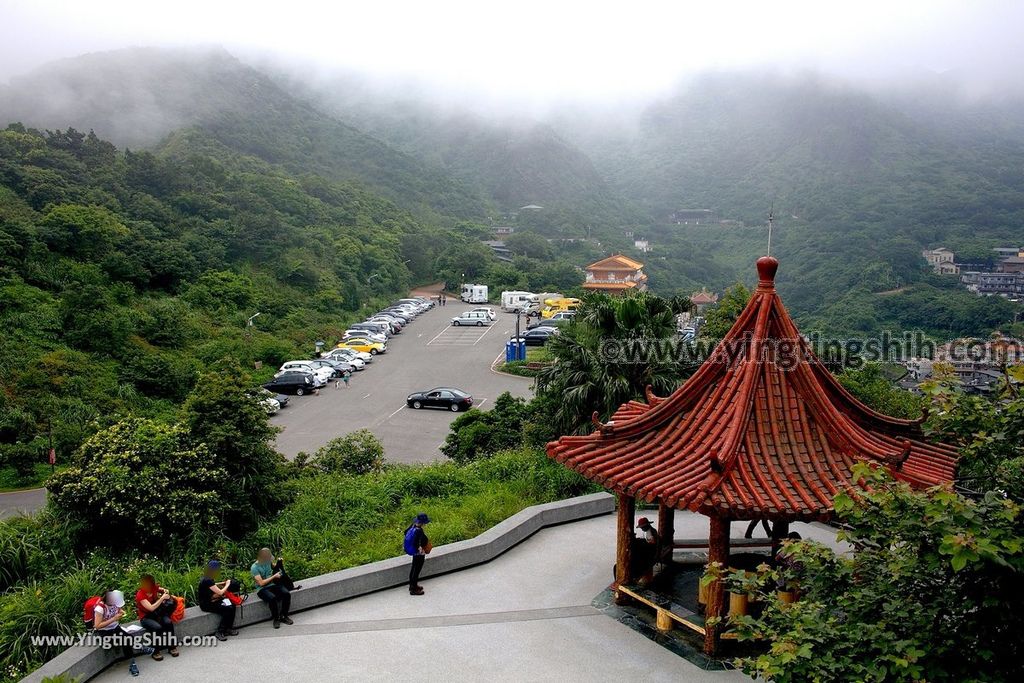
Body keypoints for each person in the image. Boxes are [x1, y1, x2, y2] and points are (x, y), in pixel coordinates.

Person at [136, 575, 179, 660]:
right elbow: (151, 608)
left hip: (158, 613)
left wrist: (165, 591)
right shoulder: (140, 595)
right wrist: (162, 598)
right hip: (146, 617)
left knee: (168, 622)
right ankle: (156, 651)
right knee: (157, 627)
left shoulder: (154, 588)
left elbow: (163, 590)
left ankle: (172, 647)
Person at [251, 548, 294, 629]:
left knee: (286, 594)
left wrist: (279, 562)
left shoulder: (268, 561)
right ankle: (276, 618)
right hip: (262, 589)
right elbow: (261, 583)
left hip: (273, 584)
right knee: (272, 598)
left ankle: (284, 615)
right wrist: (274, 576)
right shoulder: (254, 568)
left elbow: (275, 567)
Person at [92, 590, 137, 665]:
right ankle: (133, 661)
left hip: (115, 628)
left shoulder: (114, 604)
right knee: (125, 640)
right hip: (105, 631)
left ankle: (132, 662)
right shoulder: (100, 609)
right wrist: (114, 619)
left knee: (129, 638)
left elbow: (118, 609)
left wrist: (121, 612)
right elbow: (97, 626)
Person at [198, 560, 238, 641]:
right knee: (228, 608)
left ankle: (229, 628)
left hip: (212, 599)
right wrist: (227, 584)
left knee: (232, 605)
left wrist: (222, 583)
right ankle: (220, 631)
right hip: (206, 604)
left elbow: (212, 585)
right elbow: (220, 592)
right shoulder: (208, 579)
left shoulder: (208, 576)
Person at [403, 513, 431, 595]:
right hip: (419, 553)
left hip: (414, 553)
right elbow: (418, 542)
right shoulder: (419, 531)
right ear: (422, 523)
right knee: (417, 570)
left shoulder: (412, 526)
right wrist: (420, 548)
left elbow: (405, 532)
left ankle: (412, 585)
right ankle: (414, 589)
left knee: (413, 568)